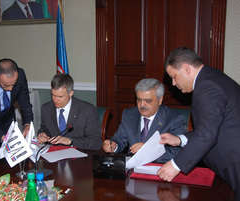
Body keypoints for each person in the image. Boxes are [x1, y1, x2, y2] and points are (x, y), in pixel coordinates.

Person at [158, 46, 240, 199]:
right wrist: (179, 139)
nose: (174, 83)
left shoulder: (207, 87)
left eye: (174, 77)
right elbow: (212, 126)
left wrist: (175, 165)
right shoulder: (212, 76)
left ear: (186, 68)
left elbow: (207, 134)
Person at [103, 78, 186, 163]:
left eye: (148, 101)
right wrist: (113, 145)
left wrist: (148, 151)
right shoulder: (129, 114)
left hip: (159, 168)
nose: (142, 105)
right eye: (139, 100)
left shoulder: (174, 119)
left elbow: (176, 152)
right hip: (132, 166)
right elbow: (119, 139)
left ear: (160, 100)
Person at [37, 73, 102, 150]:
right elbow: (44, 129)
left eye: (60, 97)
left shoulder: (87, 110)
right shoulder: (46, 108)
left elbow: (96, 143)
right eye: (53, 95)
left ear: (71, 93)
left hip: (79, 157)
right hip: (54, 155)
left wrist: (71, 141)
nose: (55, 100)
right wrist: (42, 135)